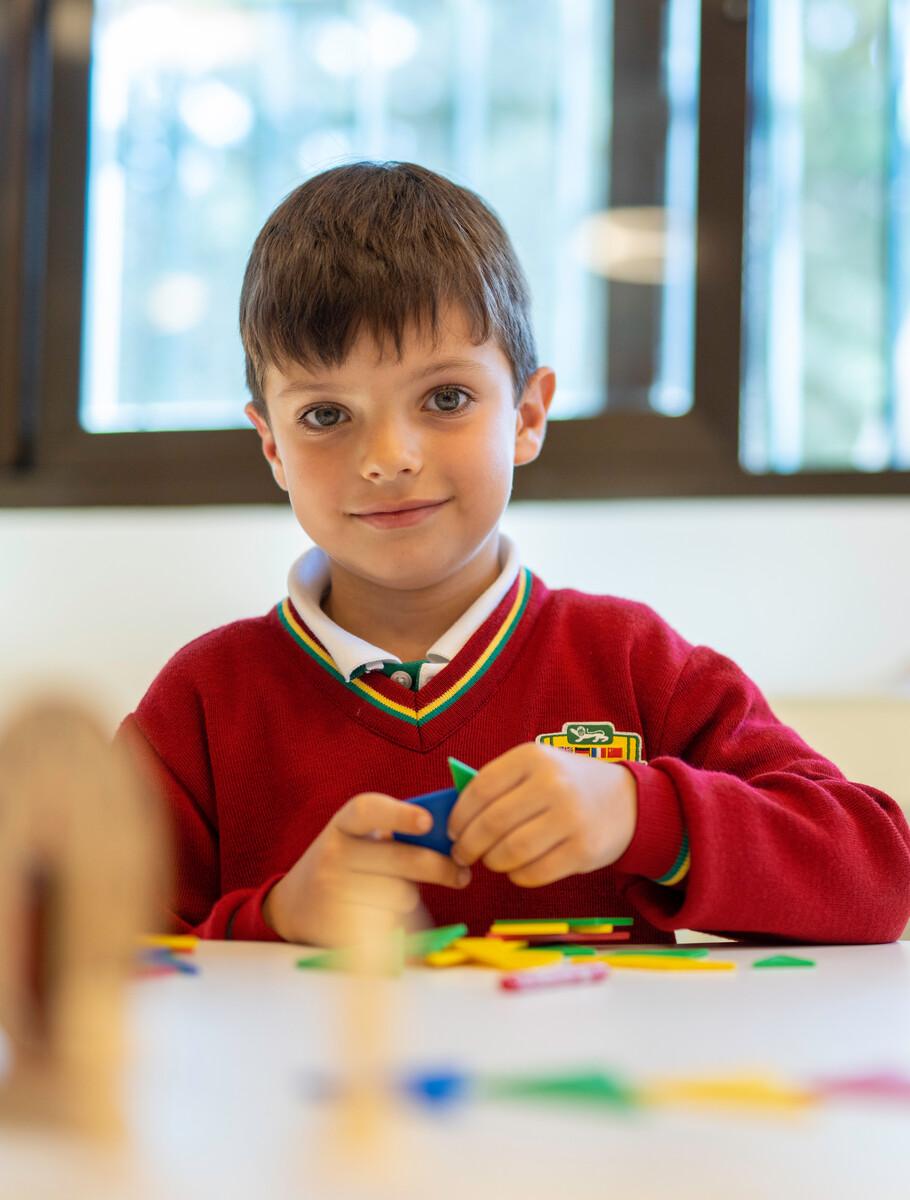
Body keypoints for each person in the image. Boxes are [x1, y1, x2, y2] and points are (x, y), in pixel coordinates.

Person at [119, 161, 910, 947]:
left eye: (446, 398)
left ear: (528, 415)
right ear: (273, 449)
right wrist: (274, 919)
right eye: (326, 414)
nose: (388, 457)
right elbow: (72, 953)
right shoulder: (201, 706)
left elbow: (879, 875)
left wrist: (645, 815)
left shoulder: (633, 666)